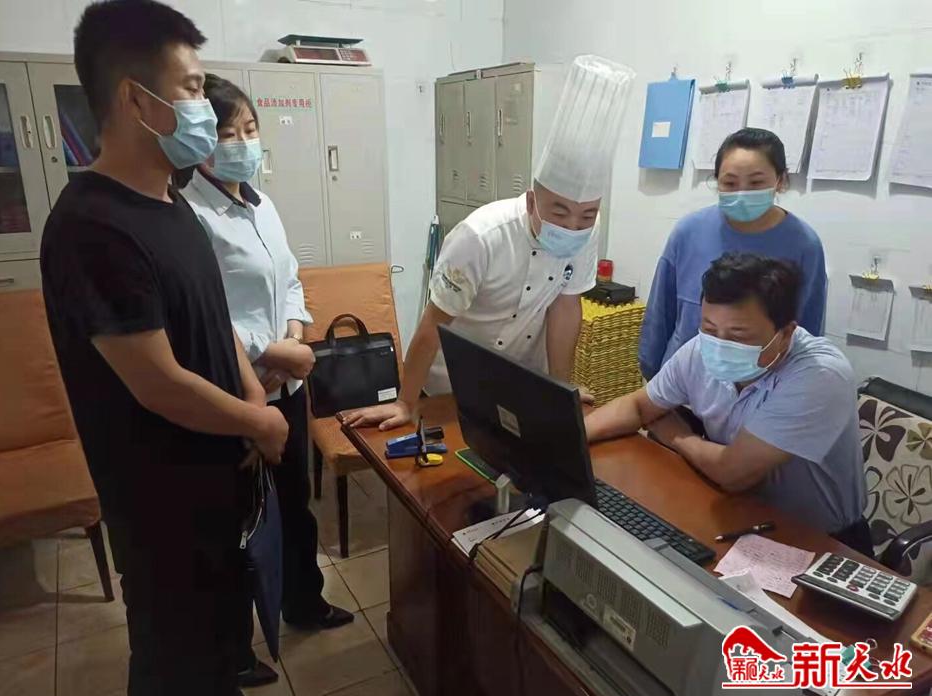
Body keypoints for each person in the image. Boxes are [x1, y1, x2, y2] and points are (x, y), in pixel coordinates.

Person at [39, 2, 294, 696]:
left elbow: (214, 320)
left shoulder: (171, 202)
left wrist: (252, 400)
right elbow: (157, 383)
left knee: (215, 651)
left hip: (218, 485)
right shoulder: (93, 227)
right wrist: (262, 423)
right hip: (163, 507)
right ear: (135, 100)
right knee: (173, 665)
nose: (203, 108)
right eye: (191, 88)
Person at [178, 74, 354, 687]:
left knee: (294, 508)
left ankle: (303, 600)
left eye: (250, 129)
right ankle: (231, 648)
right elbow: (205, 314)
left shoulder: (261, 202)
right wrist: (270, 350)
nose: (242, 143)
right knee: (237, 523)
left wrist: (295, 339)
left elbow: (291, 278)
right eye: (227, 133)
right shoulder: (191, 214)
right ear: (201, 141)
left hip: (288, 387)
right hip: (234, 396)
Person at [346, 55, 635, 430]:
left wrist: (561, 389)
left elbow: (565, 309)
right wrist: (405, 401)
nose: (573, 227)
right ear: (531, 202)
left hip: (520, 384)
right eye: (559, 212)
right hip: (450, 386)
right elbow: (434, 321)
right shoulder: (480, 237)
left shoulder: (586, 233)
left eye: (587, 214)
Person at [585, 253, 871, 557]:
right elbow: (638, 407)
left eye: (738, 335)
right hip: (736, 516)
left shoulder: (820, 375)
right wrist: (567, 434)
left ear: (785, 334)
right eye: (709, 329)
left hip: (821, 543)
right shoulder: (700, 350)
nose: (720, 346)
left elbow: (733, 473)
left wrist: (678, 436)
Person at [638, 128, 827, 381]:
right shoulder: (688, 232)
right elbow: (660, 311)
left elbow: (808, 328)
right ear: (716, 181)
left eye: (756, 183)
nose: (741, 193)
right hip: (684, 380)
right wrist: (652, 374)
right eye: (730, 183)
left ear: (780, 181)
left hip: (762, 384)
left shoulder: (804, 244)